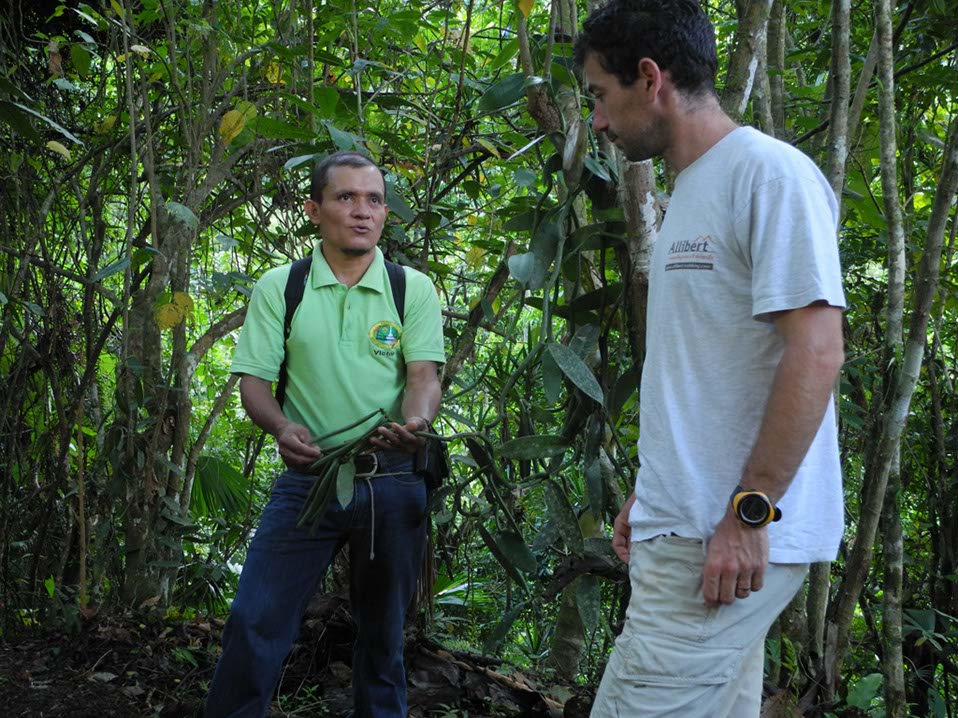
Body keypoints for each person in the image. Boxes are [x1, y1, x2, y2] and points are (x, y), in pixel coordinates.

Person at [574, 2, 846, 716]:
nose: (597, 121)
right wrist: (656, 489)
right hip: (691, 523)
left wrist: (749, 515)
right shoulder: (690, 189)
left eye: (600, 96)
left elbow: (817, 352)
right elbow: (706, 370)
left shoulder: (767, 174)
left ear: (649, 78)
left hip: (722, 541)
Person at [205, 151, 445, 718]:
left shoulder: (412, 288)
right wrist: (283, 425)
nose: (362, 211)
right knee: (254, 619)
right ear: (314, 210)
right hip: (308, 479)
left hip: (390, 481)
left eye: (374, 200)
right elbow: (255, 386)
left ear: (385, 213)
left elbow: (423, 378)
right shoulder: (280, 286)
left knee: (384, 639)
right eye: (345, 198)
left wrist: (417, 424)